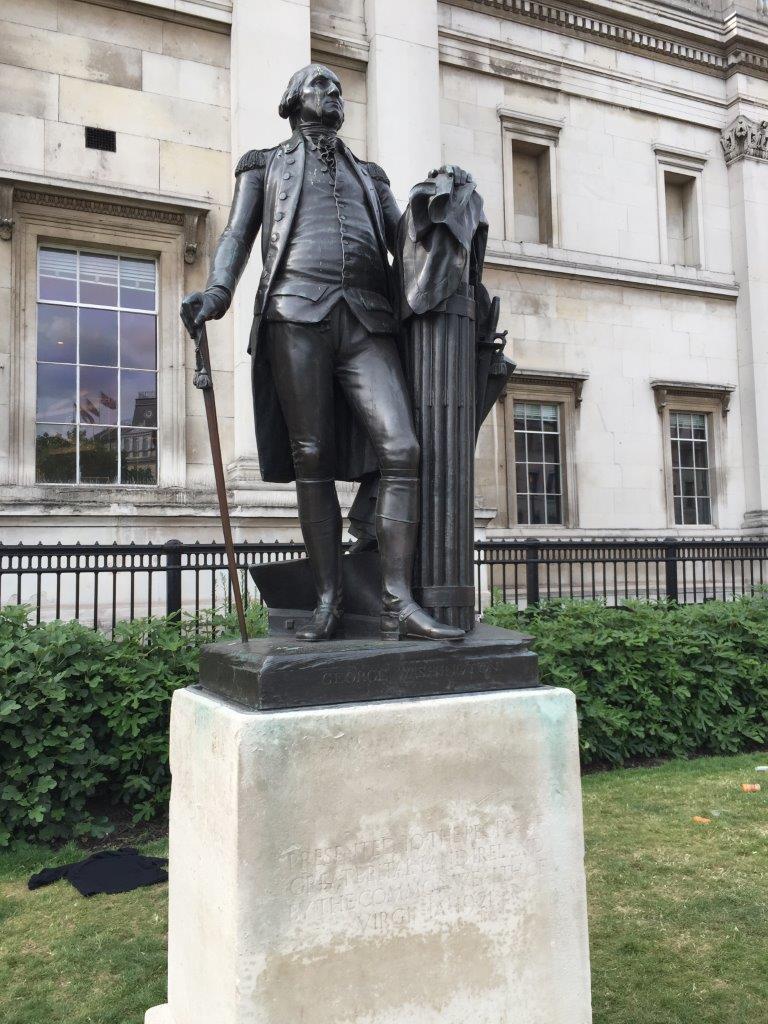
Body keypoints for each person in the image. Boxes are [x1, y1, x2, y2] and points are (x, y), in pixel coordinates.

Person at [181, 63, 466, 642]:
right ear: (291, 100)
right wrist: (217, 292)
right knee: (311, 458)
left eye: (338, 87)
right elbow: (238, 234)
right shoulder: (265, 164)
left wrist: (440, 197)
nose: (333, 93)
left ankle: (395, 600)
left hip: (366, 318)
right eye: (320, 85)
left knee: (403, 448)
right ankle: (329, 601)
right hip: (295, 312)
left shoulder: (369, 173)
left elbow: (404, 239)